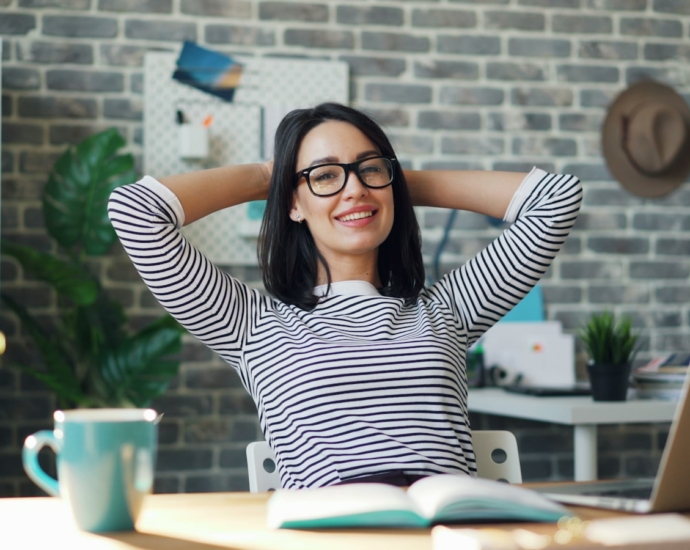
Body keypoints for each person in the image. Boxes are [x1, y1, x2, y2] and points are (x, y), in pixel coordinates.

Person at [108, 103, 582, 489]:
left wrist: (388, 183)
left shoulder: (448, 311)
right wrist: (271, 176)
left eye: (369, 169)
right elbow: (135, 212)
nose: (353, 189)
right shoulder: (251, 326)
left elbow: (556, 200)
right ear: (293, 202)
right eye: (325, 176)